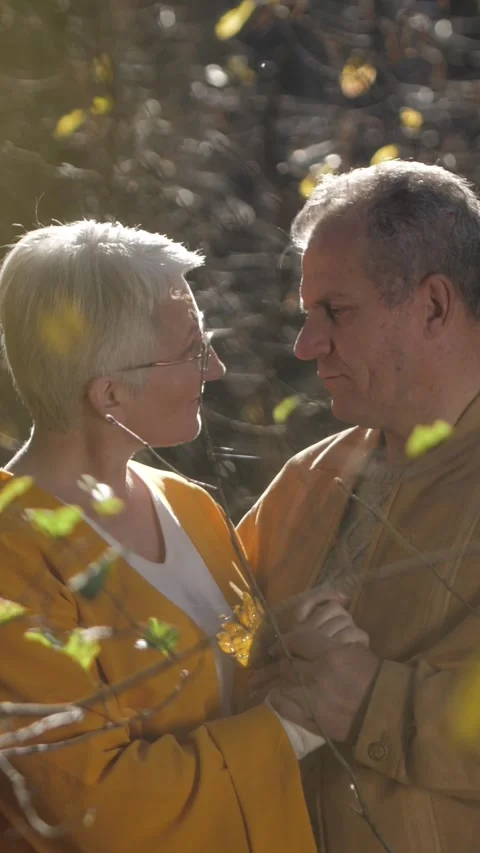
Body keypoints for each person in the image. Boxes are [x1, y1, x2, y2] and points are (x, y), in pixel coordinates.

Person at [0, 220, 368, 852]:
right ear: (109, 393)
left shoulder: (190, 506)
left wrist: (294, 647)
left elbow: (230, 688)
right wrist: (289, 728)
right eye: (194, 350)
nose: (216, 367)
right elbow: (91, 805)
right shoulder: (13, 552)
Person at [238, 160, 480, 853]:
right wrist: (257, 648)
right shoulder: (307, 478)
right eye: (307, 315)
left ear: (434, 305)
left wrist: (373, 700)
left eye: (335, 312)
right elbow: (220, 626)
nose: (307, 345)